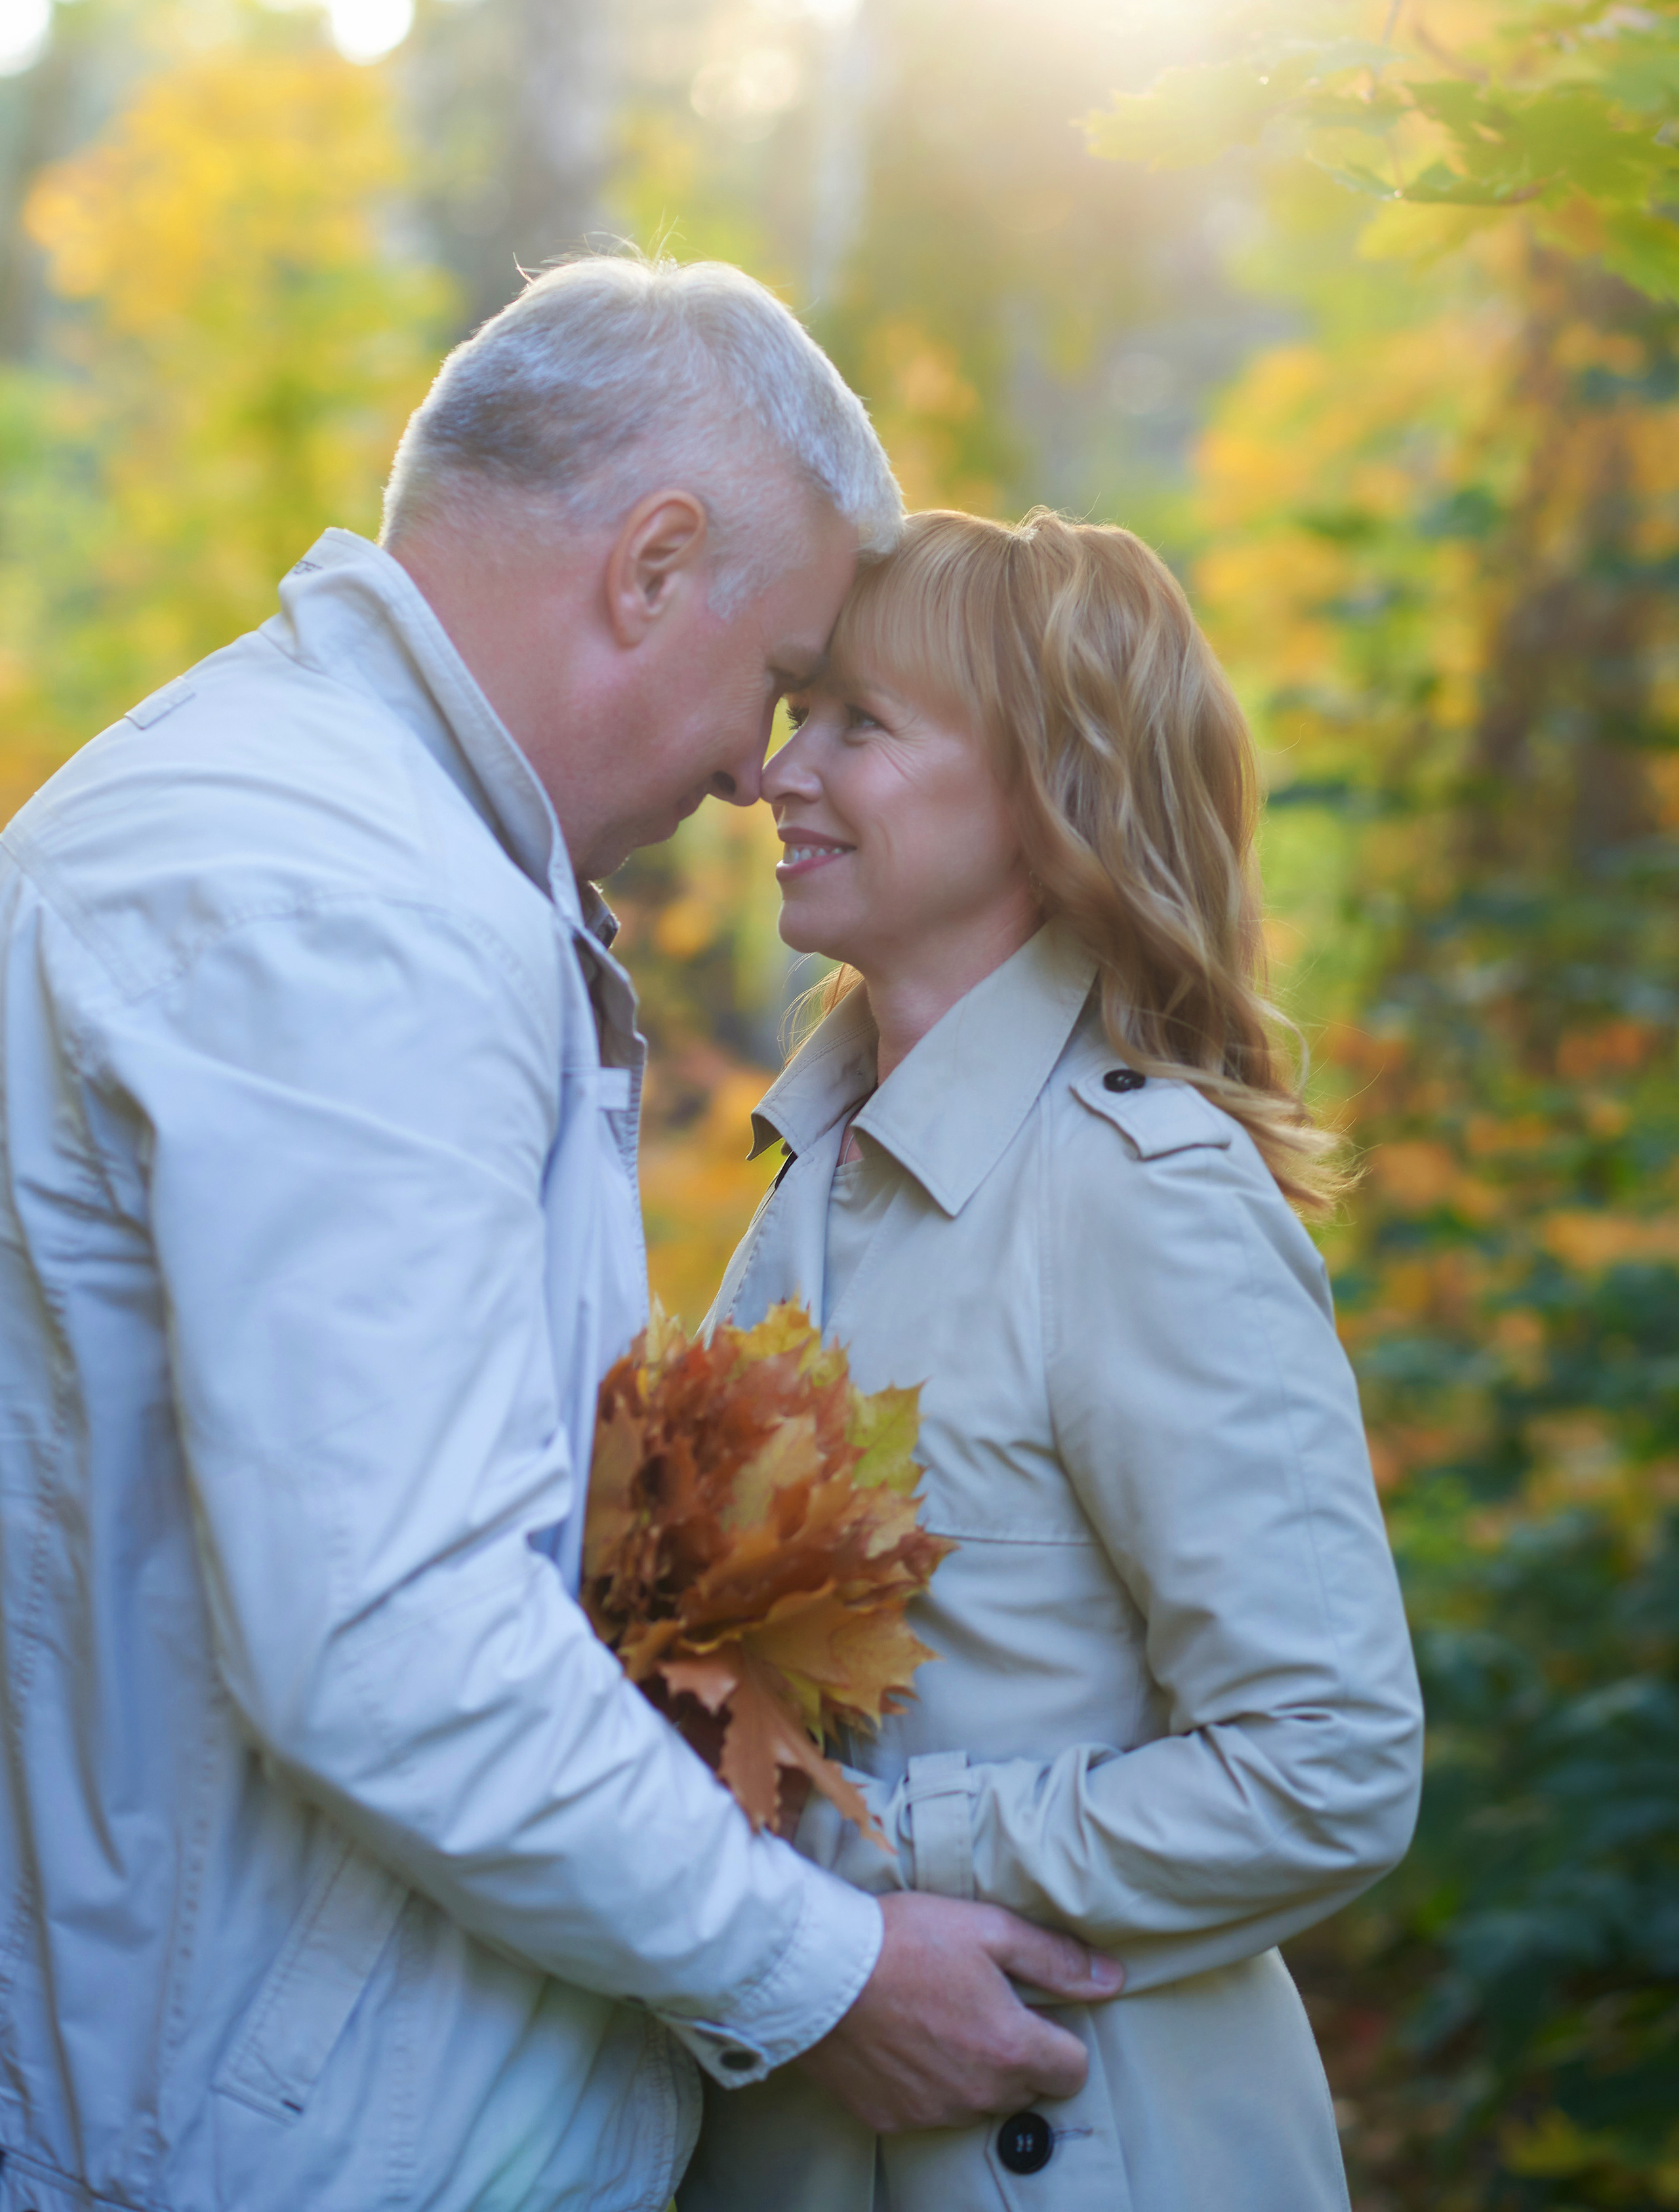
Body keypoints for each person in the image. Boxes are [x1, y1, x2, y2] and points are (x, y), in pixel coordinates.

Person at [0, 264, 1120, 2212]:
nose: (754, 772)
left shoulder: (307, 821)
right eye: (775, 681)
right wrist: (817, 1968)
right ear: (651, 566)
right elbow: (389, 1634)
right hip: (274, 2154)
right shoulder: (347, 905)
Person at [680, 508, 1425, 2211]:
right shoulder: (807, 1189)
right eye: (805, 714)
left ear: (1049, 791)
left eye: (863, 724)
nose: (783, 775)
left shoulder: (1141, 1197)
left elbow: (1329, 1763)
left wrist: (879, 1853)